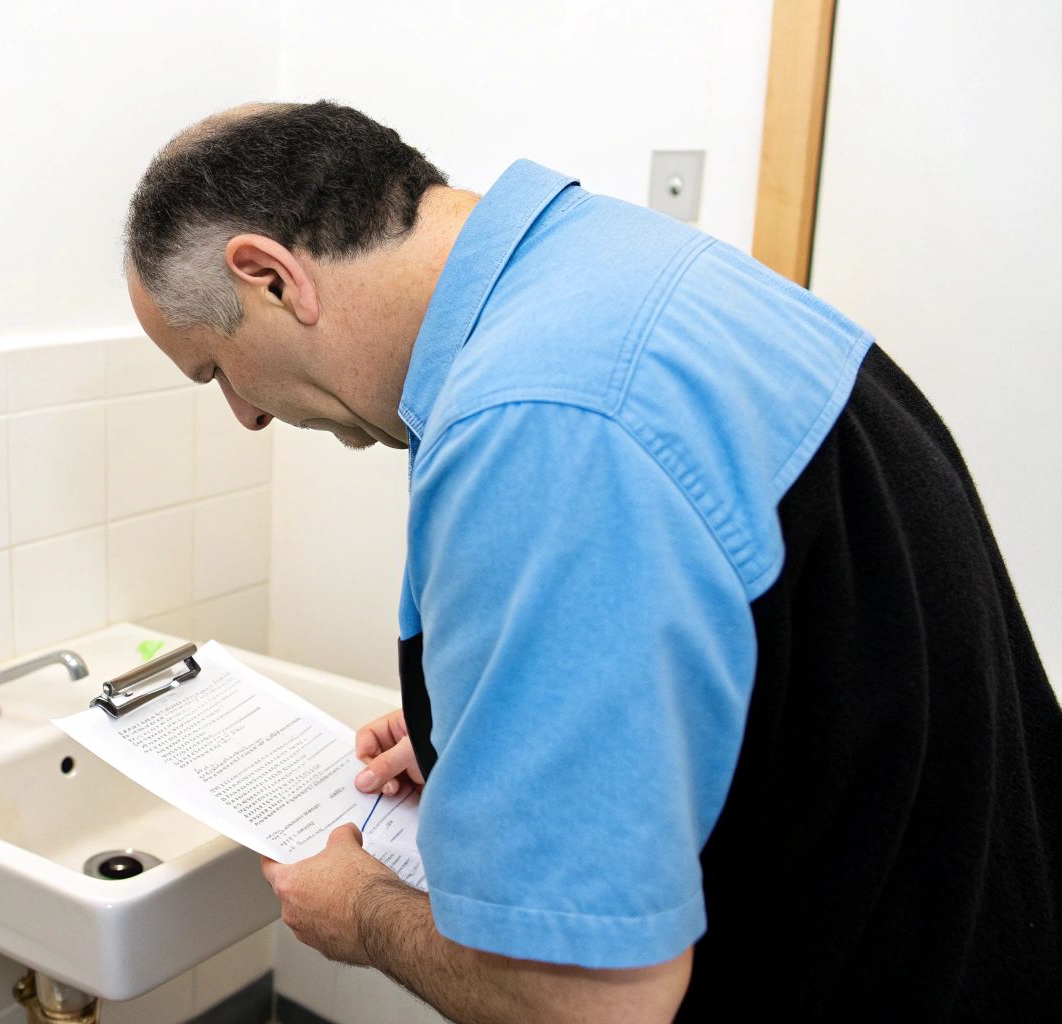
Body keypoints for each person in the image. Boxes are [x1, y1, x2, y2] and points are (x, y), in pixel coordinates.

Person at [121, 101, 1060, 1022]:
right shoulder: (612, 266)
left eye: (216, 371)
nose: (244, 417)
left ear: (271, 278)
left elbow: (585, 1007)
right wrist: (500, 738)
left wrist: (361, 912)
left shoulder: (539, 423)